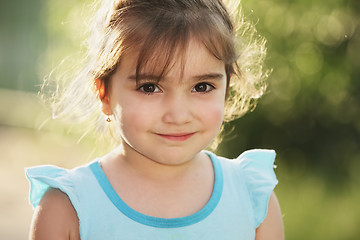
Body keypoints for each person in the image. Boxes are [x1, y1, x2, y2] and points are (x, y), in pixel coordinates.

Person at [26, 0, 284, 239]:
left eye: (202, 87)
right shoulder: (69, 207)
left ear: (227, 88)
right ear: (104, 93)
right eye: (150, 87)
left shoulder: (252, 199)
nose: (178, 115)